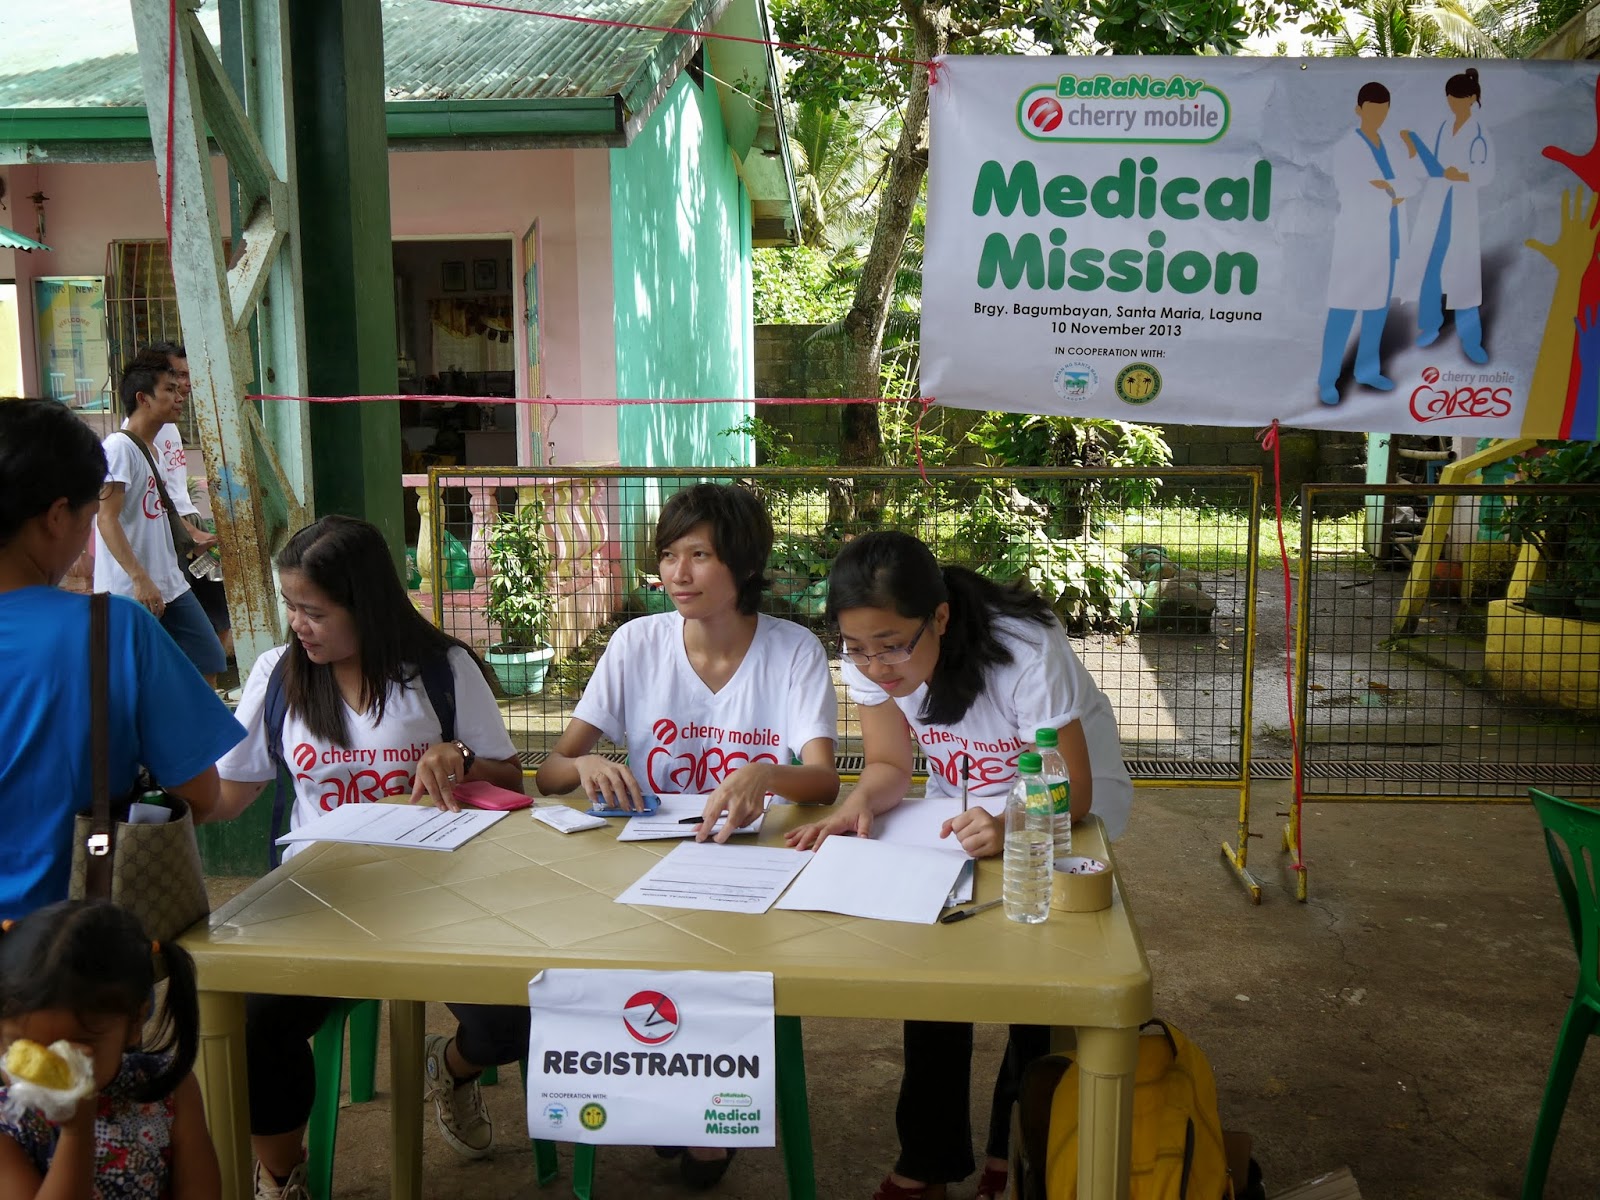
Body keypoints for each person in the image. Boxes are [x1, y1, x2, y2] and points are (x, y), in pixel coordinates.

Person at [785, 530, 1132, 1200]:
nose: (877, 665)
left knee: (1038, 974)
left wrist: (1010, 824)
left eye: (892, 645)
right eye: (859, 648)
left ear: (939, 617)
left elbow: (1073, 789)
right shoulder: (866, 653)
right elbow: (889, 765)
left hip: (1061, 814)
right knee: (937, 971)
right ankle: (928, 1157)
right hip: (959, 811)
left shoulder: (1025, 650)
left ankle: (1021, 1143)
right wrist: (856, 806)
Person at [210, 515, 527, 1200]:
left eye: (314, 611)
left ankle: (455, 1068)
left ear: (368, 603)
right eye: (291, 606)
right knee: (257, 1021)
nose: (298, 623)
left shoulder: (441, 669)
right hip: (323, 901)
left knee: (518, 1015)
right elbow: (226, 794)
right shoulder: (279, 675)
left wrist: (463, 756)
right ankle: (280, 1174)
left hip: (444, 899)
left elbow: (509, 779)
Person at [536, 482, 839, 1187]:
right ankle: (669, 1103)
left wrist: (769, 774)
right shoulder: (635, 644)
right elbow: (551, 772)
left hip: (751, 867)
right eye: (669, 555)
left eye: (699, 555)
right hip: (646, 864)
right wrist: (584, 763)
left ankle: (708, 1113)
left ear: (743, 563)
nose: (677, 573)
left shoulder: (793, 651)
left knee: (726, 961)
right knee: (622, 954)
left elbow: (822, 782)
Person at [0, 397, 243, 921]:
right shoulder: (111, 631)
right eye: (90, 519)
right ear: (57, 517)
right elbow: (200, 795)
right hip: (61, 957)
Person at [0, 899, 220, 1199]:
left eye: (76, 1048)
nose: (46, 1071)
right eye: (23, 1047)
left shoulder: (168, 1091)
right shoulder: (7, 1122)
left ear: (133, 1024)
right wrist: (76, 1134)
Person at [94, 352, 227, 682]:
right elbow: (106, 519)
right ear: (143, 398)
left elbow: (157, 511)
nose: (180, 395)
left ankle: (194, 731)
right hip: (130, 590)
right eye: (169, 388)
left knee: (207, 657)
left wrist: (194, 541)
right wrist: (139, 578)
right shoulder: (119, 449)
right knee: (130, 678)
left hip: (170, 583)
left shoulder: (152, 451)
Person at [128, 341, 233, 661]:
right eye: (174, 380)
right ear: (146, 395)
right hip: (171, 542)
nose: (183, 388)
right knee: (189, 644)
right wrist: (140, 576)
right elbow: (116, 515)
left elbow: (167, 498)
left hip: (184, 529)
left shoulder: (164, 434)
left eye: (186, 378)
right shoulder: (127, 444)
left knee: (213, 631)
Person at [1317, 81, 1419, 407]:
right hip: (1356, 240)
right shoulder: (1347, 147)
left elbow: (1412, 183)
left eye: (1383, 110)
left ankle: (1367, 370)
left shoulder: (1389, 144)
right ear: (1359, 110)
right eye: (1372, 110)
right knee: (1344, 310)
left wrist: (1387, 187)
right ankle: (1327, 380)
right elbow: (1355, 188)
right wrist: (1392, 188)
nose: (1377, 116)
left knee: (1377, 308)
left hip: (1387, 237)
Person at [1395, 67, 1495, 364]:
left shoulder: (1479, 132)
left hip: (1460, 202)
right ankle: (1430, 324)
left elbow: (1485, 173)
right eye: (1450, 98)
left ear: (1472, 99)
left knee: (1463, 271)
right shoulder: (1442, 128)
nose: (1453, 104)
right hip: (1438, 202)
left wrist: (1462, 174)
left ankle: (1471, 340)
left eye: (1458, 99)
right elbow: (1429, 168)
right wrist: (1414, 148)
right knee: (1430, 265)